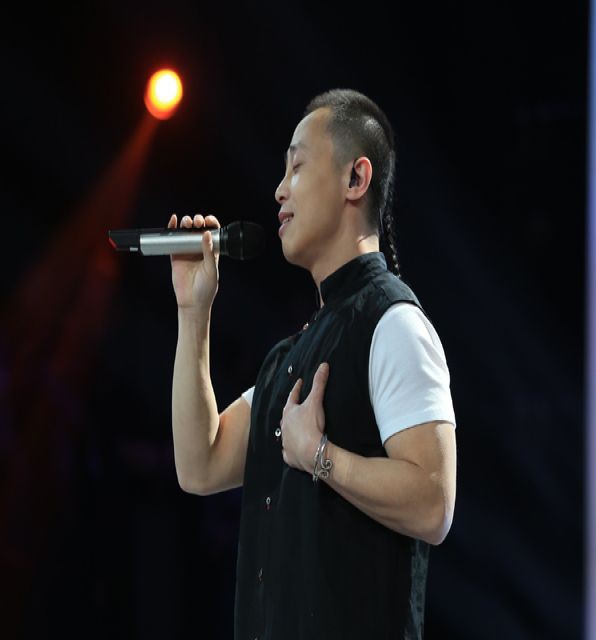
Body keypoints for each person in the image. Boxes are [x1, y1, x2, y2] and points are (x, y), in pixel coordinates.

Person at [168, 88, 457, 640]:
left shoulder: (393, 323)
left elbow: (433, 504)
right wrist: (193, 311)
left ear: (356, 179)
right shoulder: (289, 357)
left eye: (297, 167)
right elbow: (199, 465)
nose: (279, 190)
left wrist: (320, 456)